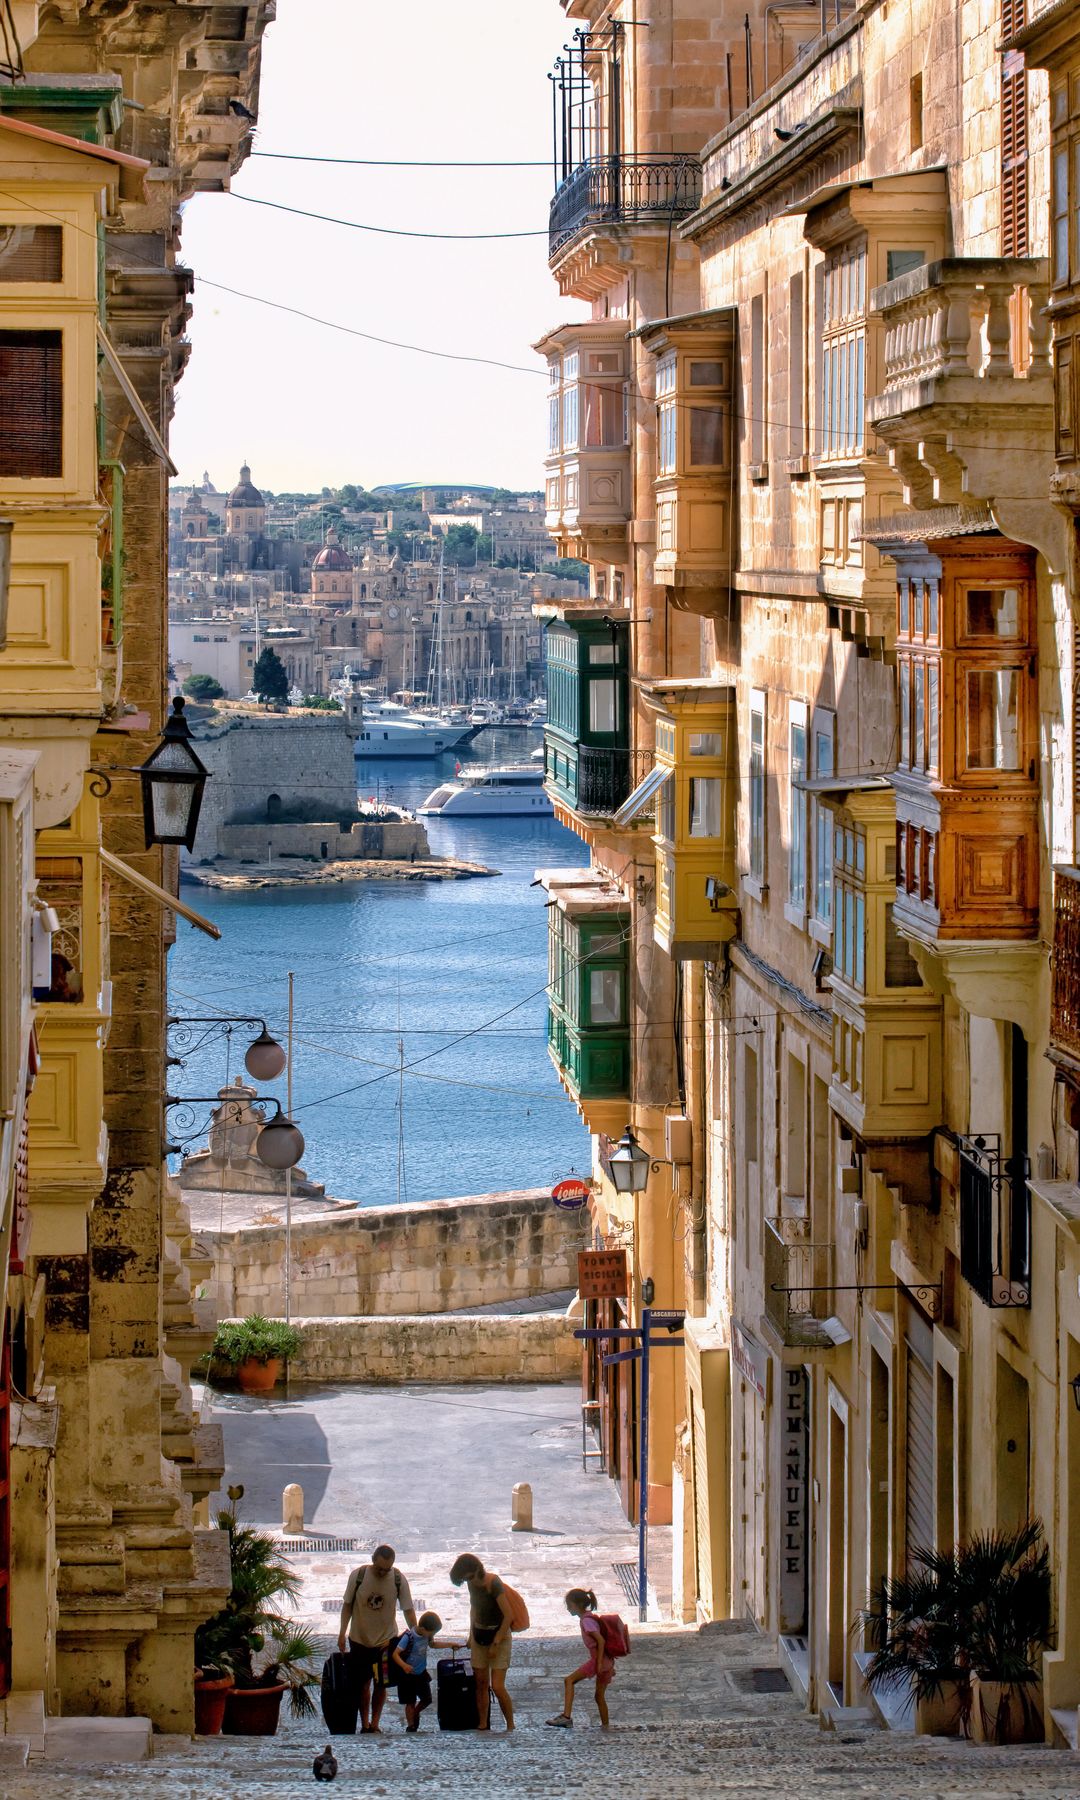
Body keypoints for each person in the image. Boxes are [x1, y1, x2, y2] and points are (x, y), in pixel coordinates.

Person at [337, 1544, 418, 1733]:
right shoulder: (358, 1576)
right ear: (373, 1560)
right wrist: (342, 1632)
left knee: (381, 1683)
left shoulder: (398, 1579)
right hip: (359, 1639)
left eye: (387, 1569)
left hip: (385, 1641)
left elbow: (408, 1609)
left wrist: (416, 1634)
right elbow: (347, 1605)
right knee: (362, 1684)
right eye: (379, 1568)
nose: (383, 1573)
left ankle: (375, 1723)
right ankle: (364, 1723)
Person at [448, 1552, 514, 1732]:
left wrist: (496, 1642)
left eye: (469, 1577)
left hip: (499, 1635)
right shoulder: (471, 1584)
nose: (469, 1582)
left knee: (498, 1686)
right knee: (480, 1684)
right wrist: (470, 1635)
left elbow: (508, 1615)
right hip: (479, 1635)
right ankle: (483, 1724)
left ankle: (510, 1725)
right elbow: (474, 1608)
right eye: (465, 1580)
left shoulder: (493, 1583)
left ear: (477, 1570)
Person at [546, 1588, 614, 1729]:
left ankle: (566, 1717)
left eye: (569, 1605)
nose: (568, 1608)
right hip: (607, 1661)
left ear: (577, 1605)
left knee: (569, 1680)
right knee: (599, 1697)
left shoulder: (586, 1622)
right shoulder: (590, 1618)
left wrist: (599, 1663)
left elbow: (600, 1641)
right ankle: (606, 1726)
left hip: (598, 1661)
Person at [389, 1610, 463, 1732]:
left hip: (421, 1673)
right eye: (431, 1633)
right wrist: (404, 1666)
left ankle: (416, 1712)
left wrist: (450, 1644)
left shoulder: (426, 1636)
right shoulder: (409, 1637)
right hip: (407, 1675)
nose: (432, 1635)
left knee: (427, 1699)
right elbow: (395, 1654)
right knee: (410, 1701)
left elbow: (433, 1644)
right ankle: (411, 1726)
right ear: (423, 1629)